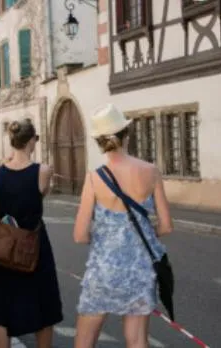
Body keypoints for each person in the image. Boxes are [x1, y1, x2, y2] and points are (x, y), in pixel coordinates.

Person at [73, 104, 173, 348]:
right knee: (137, 340)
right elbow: (166, 226)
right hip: (140, 270)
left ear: (99, 141)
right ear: (126, 134)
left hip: (103, 270)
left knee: (85, 340)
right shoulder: (151, 171)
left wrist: (107, 237)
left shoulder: (95, 178)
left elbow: (79, 235)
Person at [0, 119, 63, 348]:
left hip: (4, 246)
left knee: (1, 307)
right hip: (34, 245)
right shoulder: (43, 171)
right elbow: (41, 194)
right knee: (43, 304)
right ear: (31, 141)